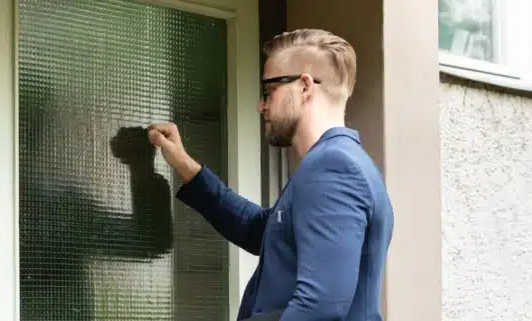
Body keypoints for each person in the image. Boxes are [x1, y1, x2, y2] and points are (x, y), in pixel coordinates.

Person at [147, 29, 394, 321]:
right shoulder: (337, 163)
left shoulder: (333, 168)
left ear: (305, 87)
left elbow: (320, 309)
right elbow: (261, 230)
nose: (261, 105)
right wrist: (185, 166)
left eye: (269, 91)